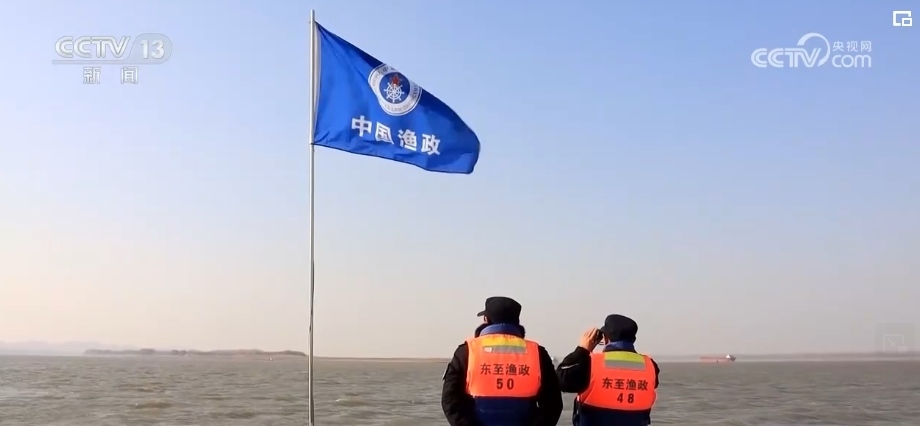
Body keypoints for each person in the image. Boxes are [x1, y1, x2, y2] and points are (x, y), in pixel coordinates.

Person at [441, 296, 563, 426]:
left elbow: (450, 401)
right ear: (517, 321)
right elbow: (553, 404)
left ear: (486, 319)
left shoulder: (467, 351)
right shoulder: (537, 353)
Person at [555, 314, 660, 426]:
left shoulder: (591, 363)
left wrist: (582, 350)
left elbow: (559, 380)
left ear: (606, 338)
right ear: (633, 339)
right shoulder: (650, 366)